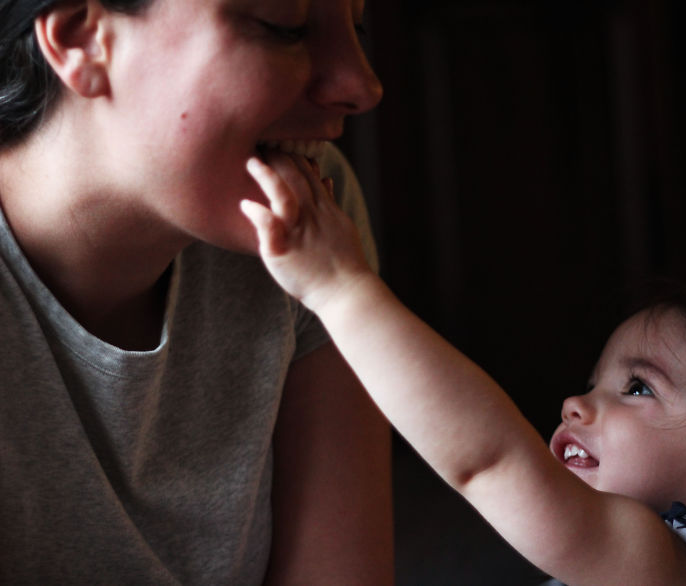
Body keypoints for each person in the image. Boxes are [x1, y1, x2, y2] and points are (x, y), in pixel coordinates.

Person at [239, 153, 686, 586]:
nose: (576, 403)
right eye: (594, 380)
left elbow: (490, 461)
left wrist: (342, 290)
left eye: (636, 388)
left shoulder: (661, 561)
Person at [0, 0, 393, 584]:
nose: (361, 84)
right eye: (284, 25)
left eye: (356, 26)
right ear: (81, 39)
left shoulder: (309, 221)